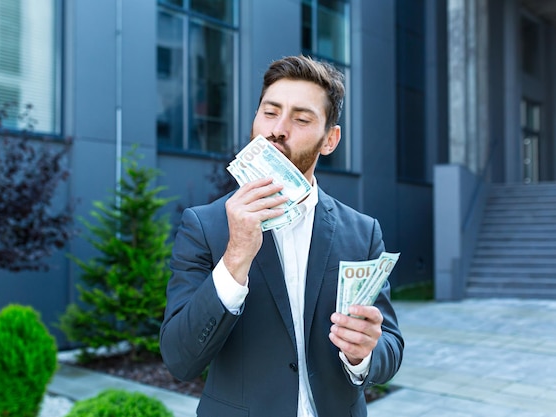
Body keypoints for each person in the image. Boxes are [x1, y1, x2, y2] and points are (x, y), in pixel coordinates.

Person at [159, 55, 404, 417]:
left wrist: (363, 354)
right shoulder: (204, 226)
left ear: (329, 140)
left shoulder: (363, 231)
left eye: (301, 119)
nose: (278, 129)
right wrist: (236, 257)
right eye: (270, 113)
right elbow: (180, 360)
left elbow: (390, 347)